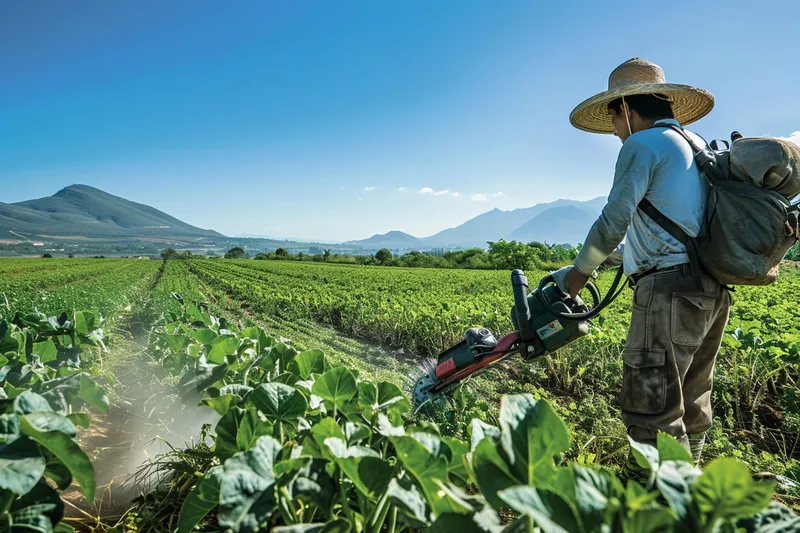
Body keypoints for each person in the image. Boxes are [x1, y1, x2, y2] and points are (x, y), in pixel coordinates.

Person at [562, 58, 731, 466]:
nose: (617, 134)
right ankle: (691, 500)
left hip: (668, 294)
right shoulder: (695, 145)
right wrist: (618, 260)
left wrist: (578, 275)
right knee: (691, 400)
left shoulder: (642, 145)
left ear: (623, 109)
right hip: (710, 291)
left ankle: (658, 505)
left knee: (652, 407)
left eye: (614, 122)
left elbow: (613, 220)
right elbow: (677, 229)